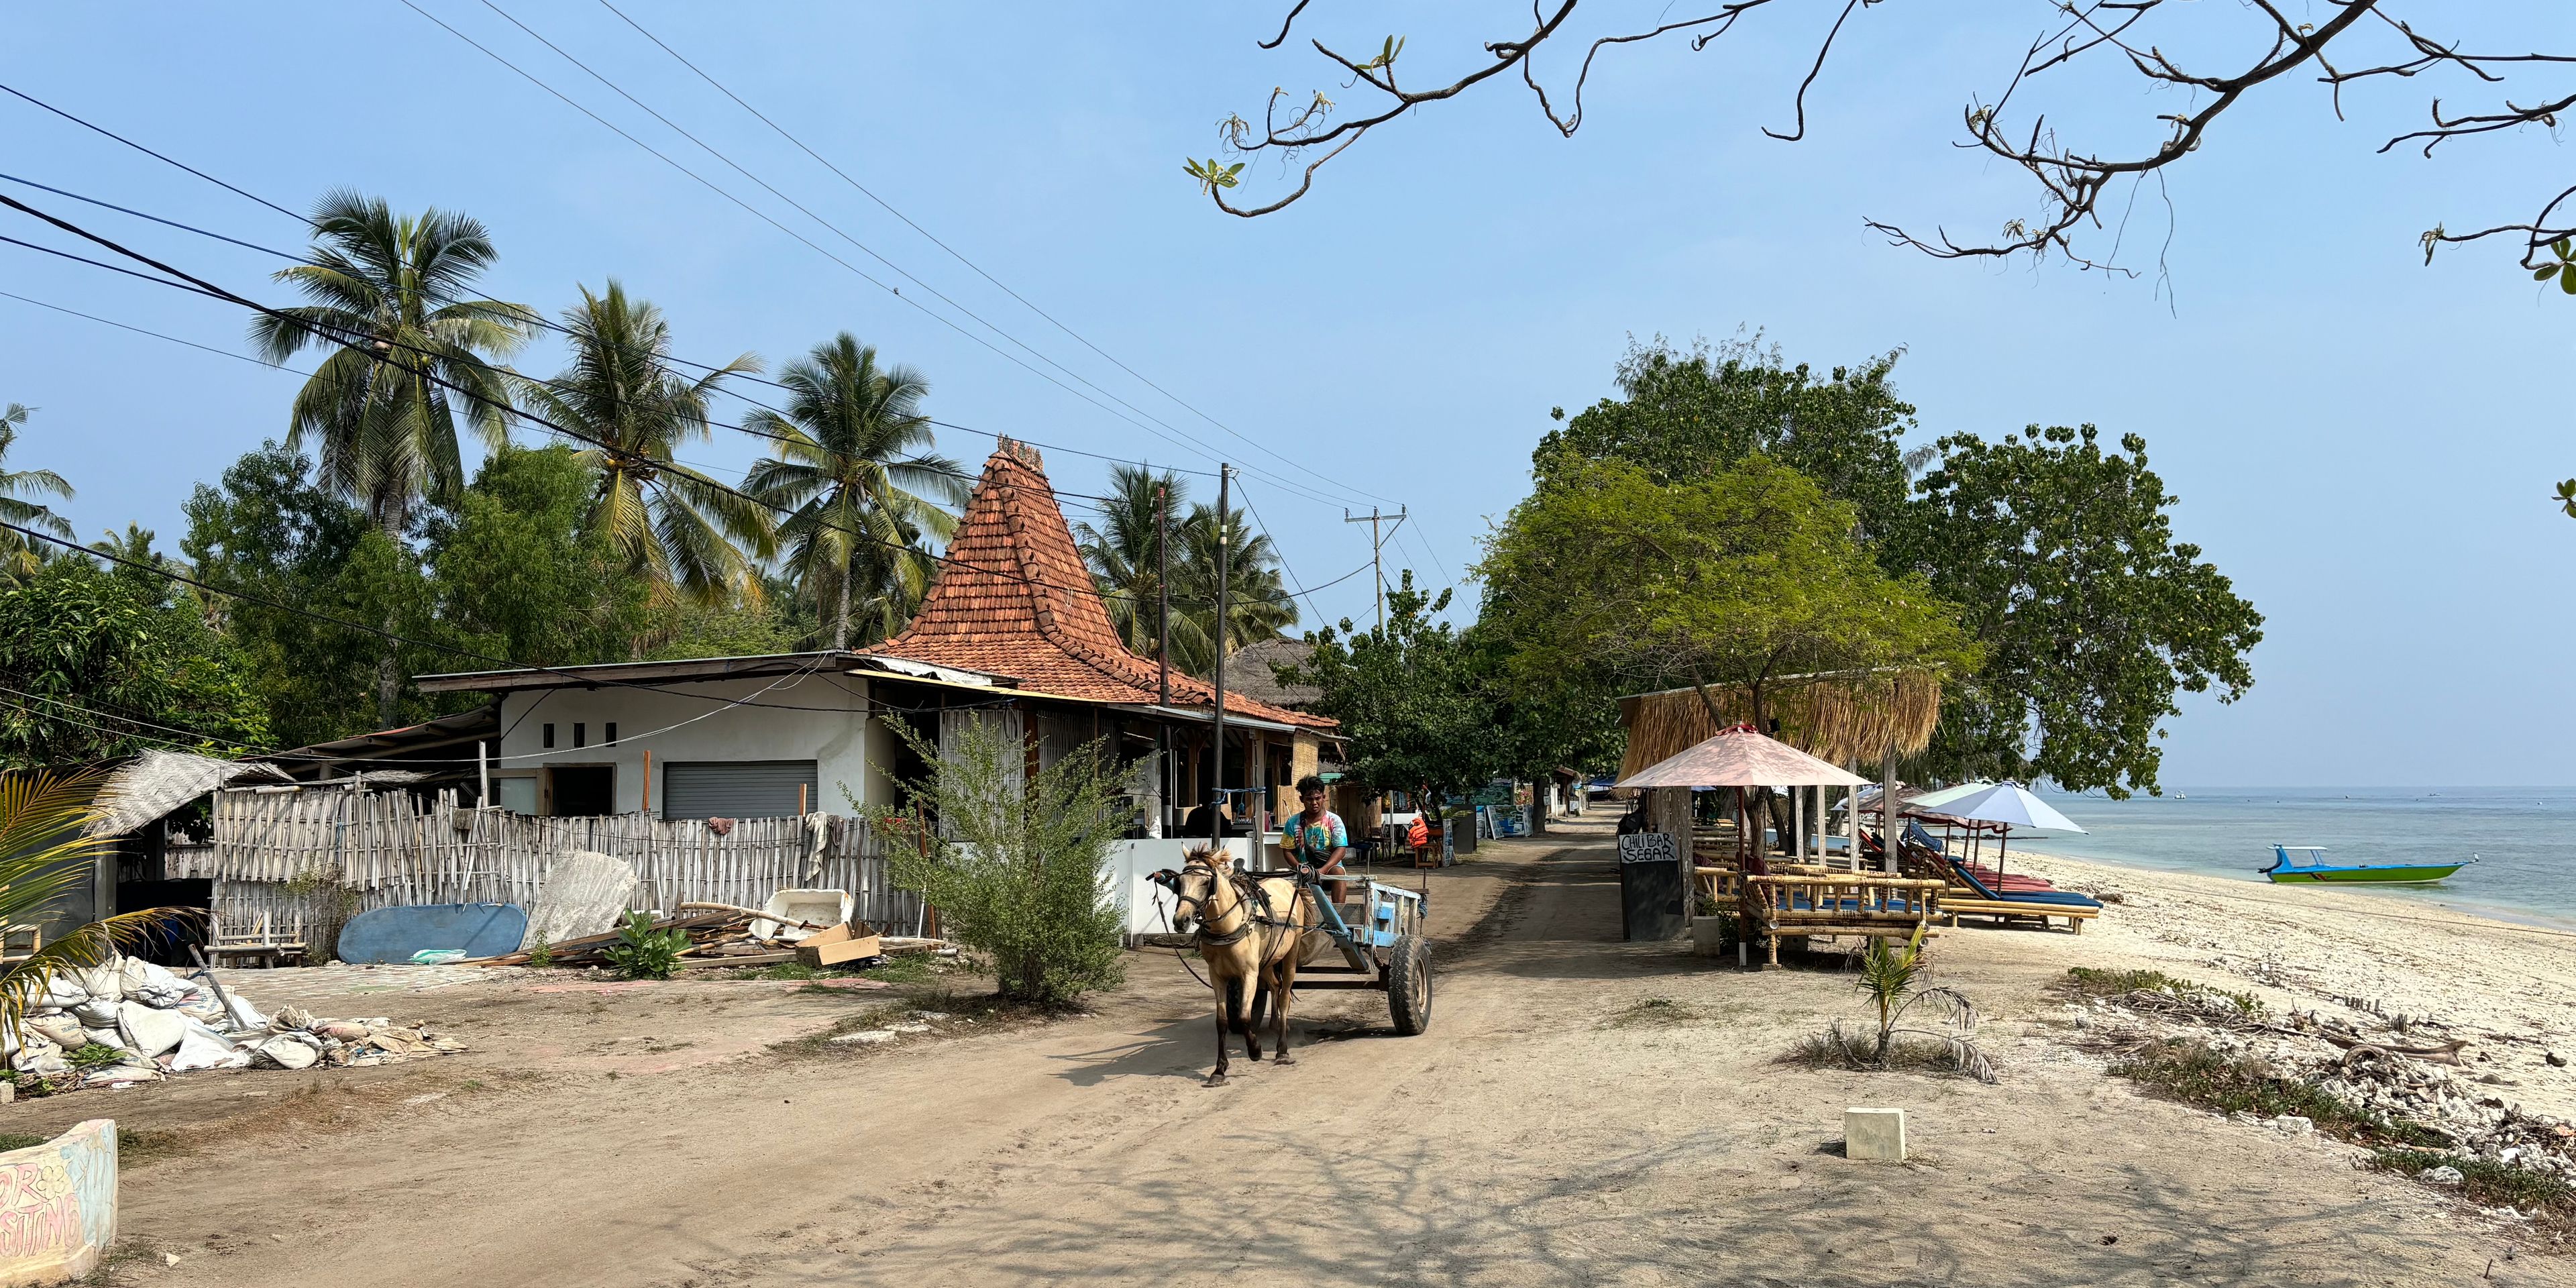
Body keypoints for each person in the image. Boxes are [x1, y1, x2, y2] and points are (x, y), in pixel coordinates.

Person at [1283, 775, 1351, 903]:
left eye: (1317, 798)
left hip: (1329, 869)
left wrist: (1322, 871)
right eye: (1309, 799)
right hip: (1303, 869)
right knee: (1278, 877)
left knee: (1338, 873)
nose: (1314, 803)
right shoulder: (1293, 822)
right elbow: (1287, 851)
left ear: (1323, 798)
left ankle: (1338, 914)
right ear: (1302, 799)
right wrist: (1300, 867)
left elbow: (1341, 850)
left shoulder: (1334, 820)